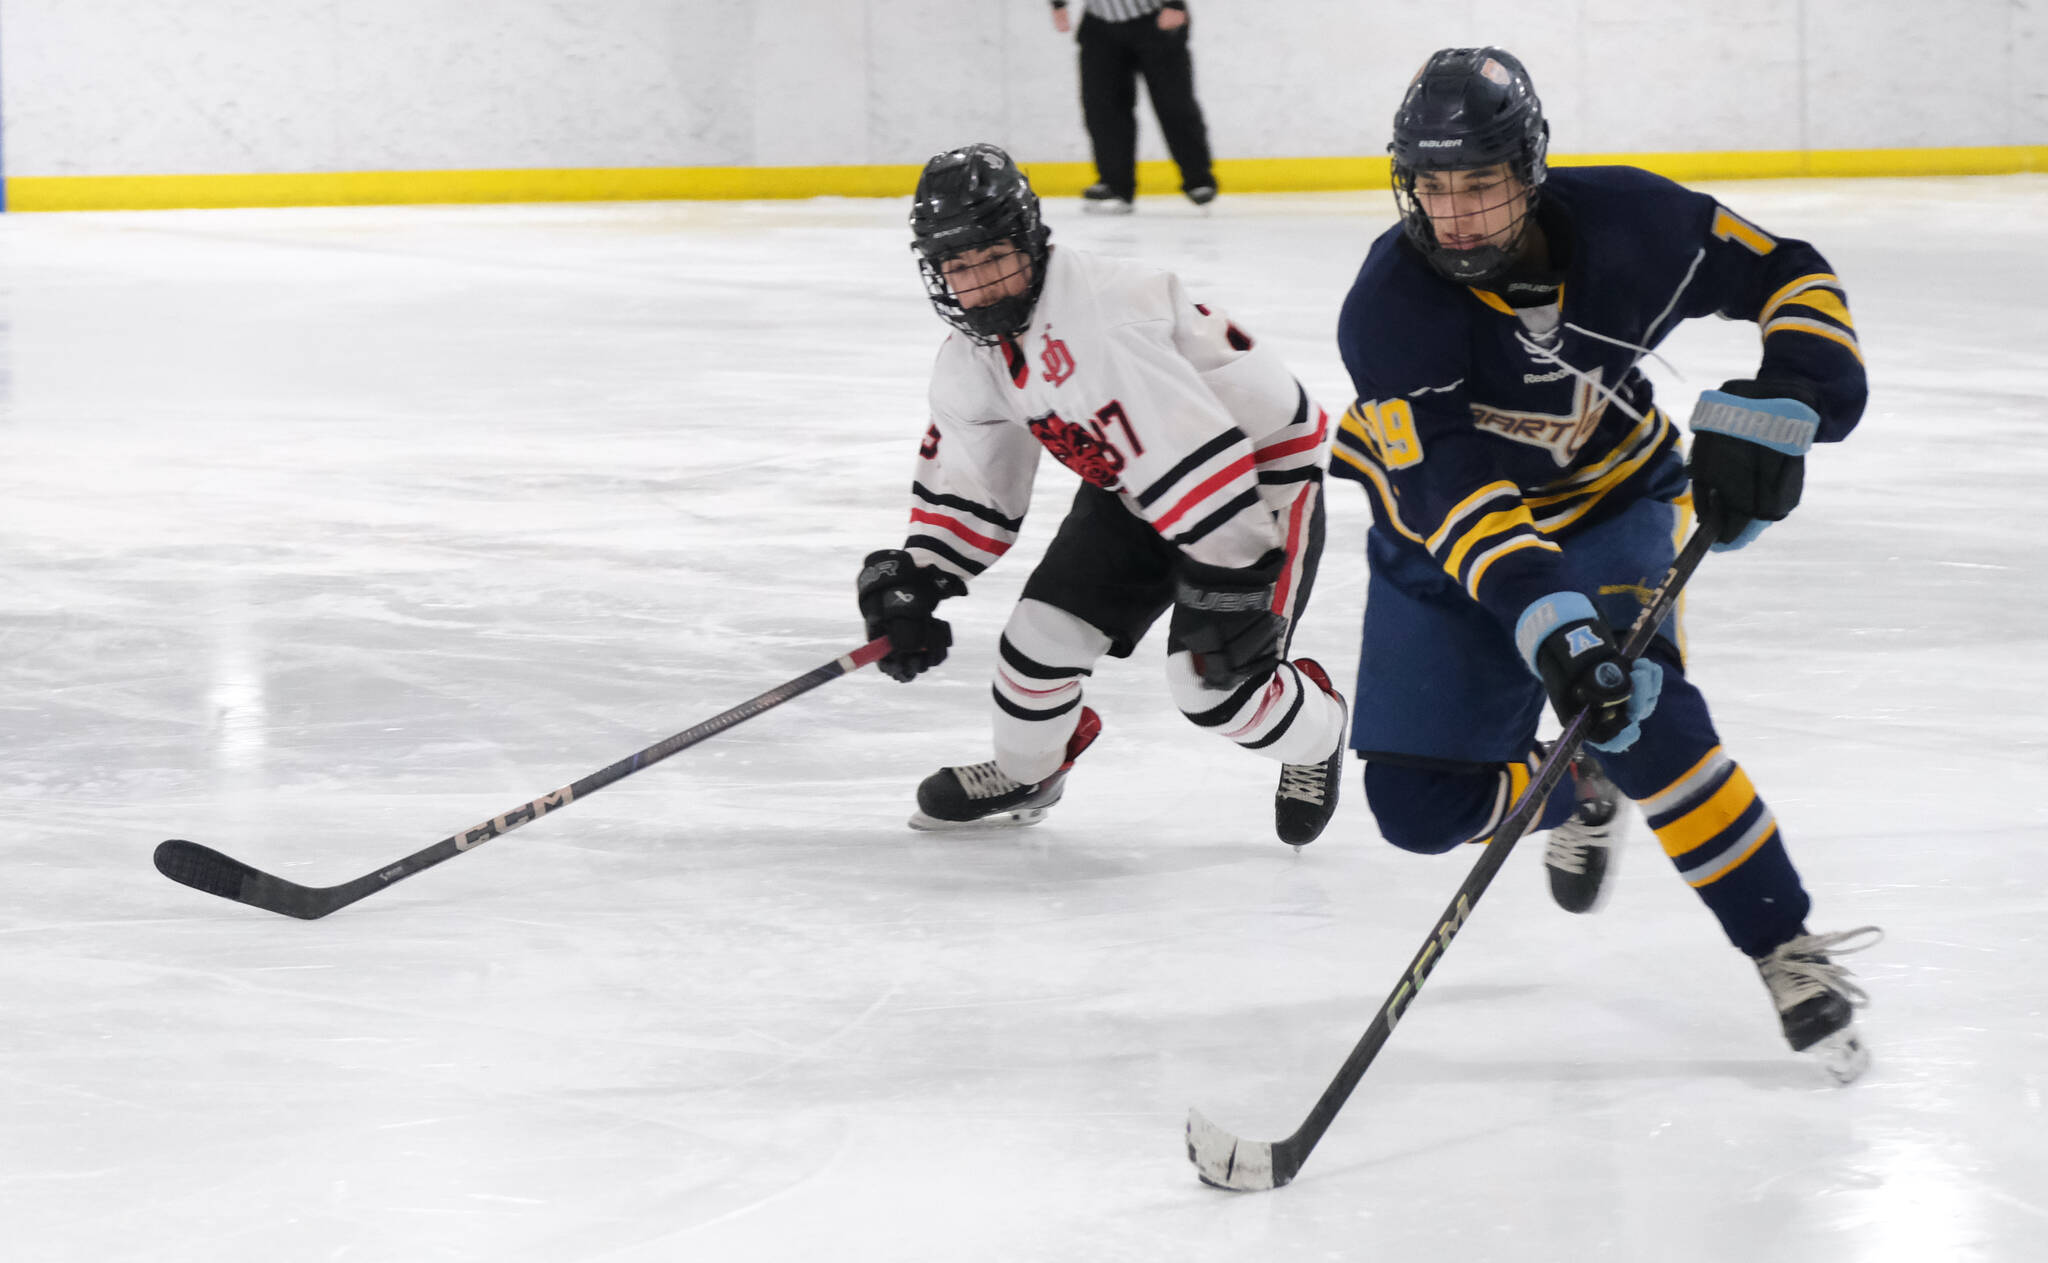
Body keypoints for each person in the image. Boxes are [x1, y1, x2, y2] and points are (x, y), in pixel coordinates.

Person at [1329, 48, 1881, 1081]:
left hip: (1609, 499)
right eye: (1431, 187)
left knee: (1648, 718)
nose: (1452, 218)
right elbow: (1455, 498)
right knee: (1416, 811)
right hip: (1441, 536)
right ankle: (1571, 781)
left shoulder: (1634, 225)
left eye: (1479, 185)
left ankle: (1779, 947)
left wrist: (1791, 399)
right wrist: (1555, 631)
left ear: (1528, 171)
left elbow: (1787, 269)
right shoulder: (1388, 310)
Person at [857, 142, 1344, 845]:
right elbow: (977, 481)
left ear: (1028, 242)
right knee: (1036, 647)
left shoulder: (1101, 321)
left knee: (1216, 691)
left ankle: (1317, 730)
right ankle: (1031, 769)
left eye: (991, 256)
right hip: (1140, 483)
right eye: (957, 267)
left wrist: (1229, 579)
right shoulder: (975, 356)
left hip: (1253, 484)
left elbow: (1193, 447)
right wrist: (920, 577)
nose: (979, 283)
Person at [1049, 0, 1216, 213]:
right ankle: (1115, 184)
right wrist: (1058, 5)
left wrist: (1175, 4)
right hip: (1099, 24)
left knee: (1174, 104)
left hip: (1154, 16)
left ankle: (1198, 178)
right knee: (1103, 108)